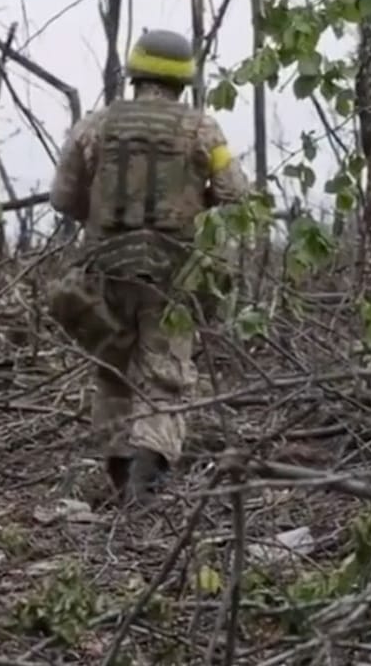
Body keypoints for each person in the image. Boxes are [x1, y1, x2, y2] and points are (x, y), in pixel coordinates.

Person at [48, 29, 252, 504]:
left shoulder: (93, 126)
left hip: (103, 271)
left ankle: (121, 477)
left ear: (135, 71)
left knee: (112, 367)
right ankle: (147, 483)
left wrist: (101, 220)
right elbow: (236, 193)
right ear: (185, 79)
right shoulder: (203, 129)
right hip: (172, 274)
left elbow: (63, 197)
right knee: (165, 373)